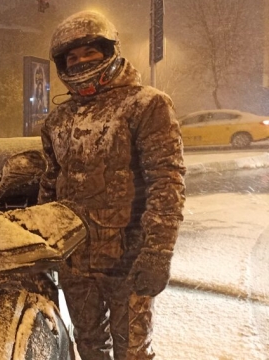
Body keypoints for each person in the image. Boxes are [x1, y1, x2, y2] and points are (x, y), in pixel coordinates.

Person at [38, 11, 186, 359]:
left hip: (128, 261)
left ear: (108, 51)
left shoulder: (146, 105)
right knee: (88, 347)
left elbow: (167, 183)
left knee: (132, 352)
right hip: (75, 263)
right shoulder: (57, 120)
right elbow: (50, 185)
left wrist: (157, 253)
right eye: (71, 57)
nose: (80, 62)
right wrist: (40, 243)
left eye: (89, 52)